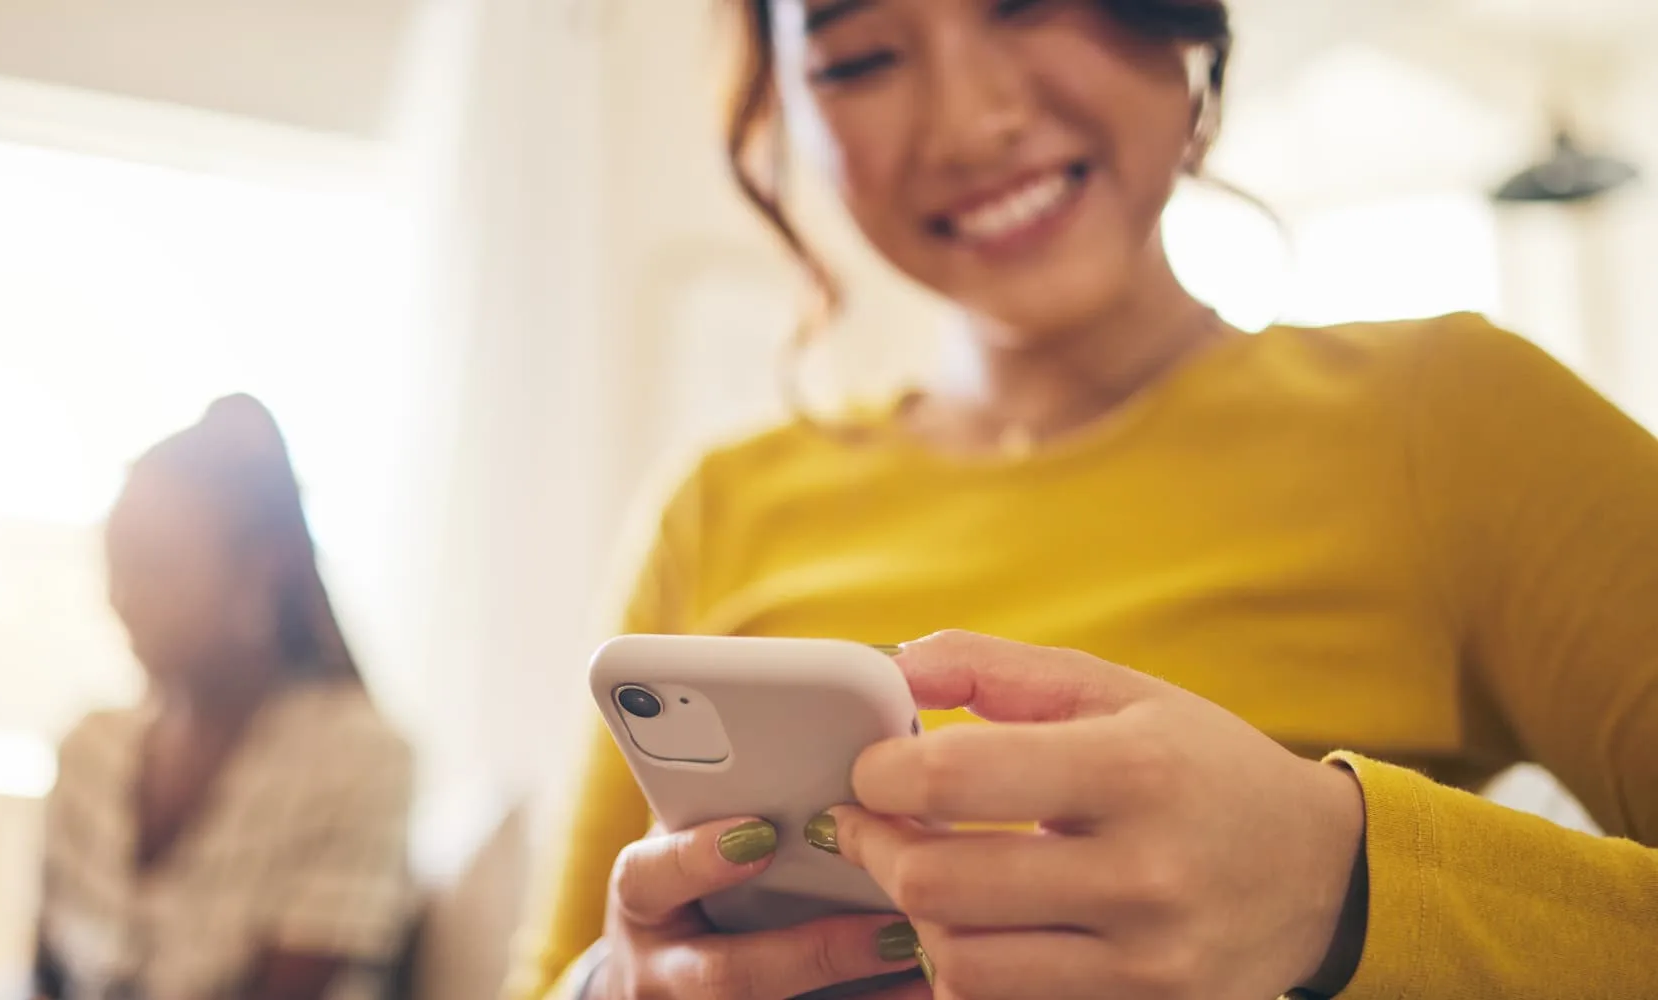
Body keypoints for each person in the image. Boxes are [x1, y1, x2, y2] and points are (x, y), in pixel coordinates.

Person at [505, 0, 1658, 998]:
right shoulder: (715, 507)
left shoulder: (1455, 417)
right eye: (859, 57)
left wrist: (1337, 887)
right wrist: (620, 978)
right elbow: (549, 972)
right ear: (784, 116)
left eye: (1033, 1)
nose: (970, 123)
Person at [36, 396, 416, 1000]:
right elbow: (43, 974)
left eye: (154, 567)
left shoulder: (360, 760)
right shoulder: (90, 747)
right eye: (115, 564)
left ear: (261, 571)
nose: (124, 598)